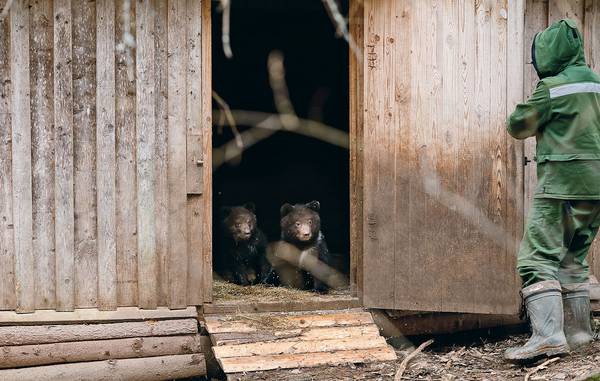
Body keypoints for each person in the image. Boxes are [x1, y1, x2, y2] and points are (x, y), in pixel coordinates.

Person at [505, 19, 600, 363]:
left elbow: (518, 126)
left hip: (561, 185)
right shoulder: (598, 85)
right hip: (596, 188)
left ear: (549, 53)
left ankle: (547, 337)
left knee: (536, 258)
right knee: (573, 257)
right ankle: (579, 333)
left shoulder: (553, 88)